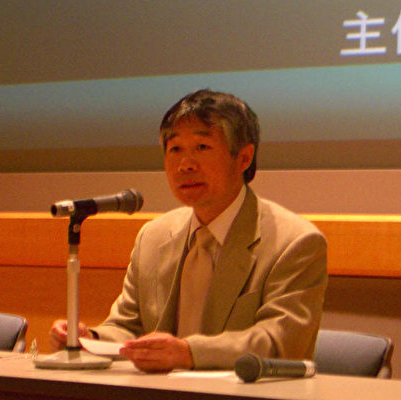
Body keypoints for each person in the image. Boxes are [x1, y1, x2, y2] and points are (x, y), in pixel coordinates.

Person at [50, 89, 327, 372]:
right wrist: (88, 338)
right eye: (175, 149)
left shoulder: (294, 242)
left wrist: (188, 353)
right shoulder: (153, 237)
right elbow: (128, 327)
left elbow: (279, 342)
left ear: (244, 158)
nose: (185, 165)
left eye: (202, 147)